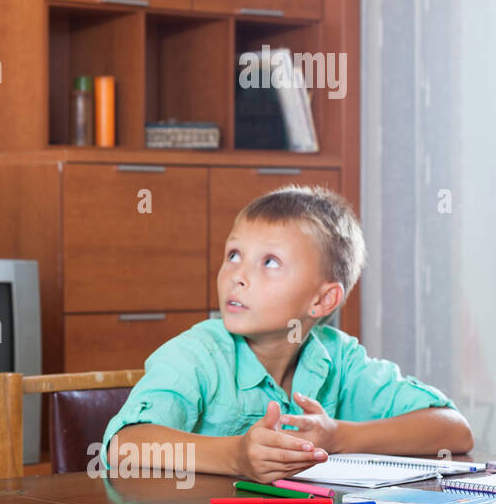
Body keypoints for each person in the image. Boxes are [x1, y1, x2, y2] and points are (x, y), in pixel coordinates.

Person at [102, 185, 473, 482]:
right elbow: (125, 446)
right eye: (233, 254)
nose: (237, 275)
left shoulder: (338, 358)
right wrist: (236, 457)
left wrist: (339, 436)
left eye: (270, 262)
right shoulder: (197, 354)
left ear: (323, 300)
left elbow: (454, 430)